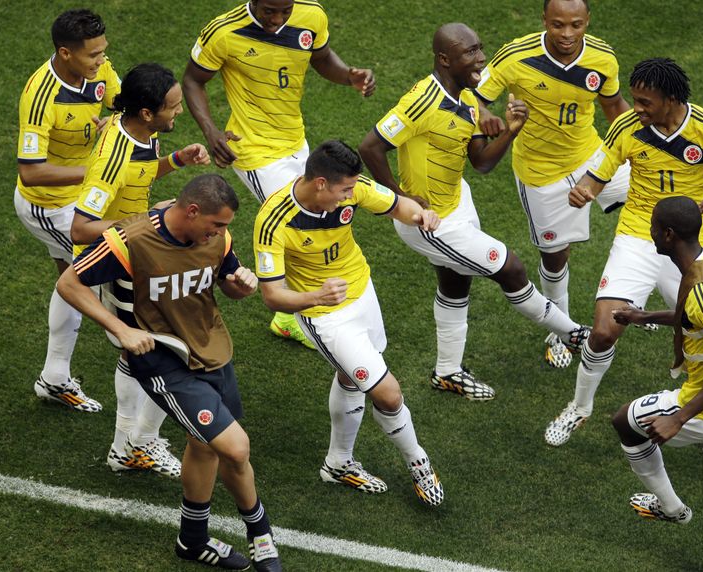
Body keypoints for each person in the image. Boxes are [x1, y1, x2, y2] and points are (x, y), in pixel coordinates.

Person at [58, 174, 282, 571]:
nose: (221, 233)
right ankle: (261, 534)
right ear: (192, 211)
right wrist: (121, 329)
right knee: (235, 447)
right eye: (216, 224)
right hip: (162, 359)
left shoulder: (216, 239)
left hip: (211, 348)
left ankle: (192, 541)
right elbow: (69, 283)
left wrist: (241, 285)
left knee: (205, 443)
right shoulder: (128, 240)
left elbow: (227, 283)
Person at [359, 23, 589, 402]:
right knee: (510, 268)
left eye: (480, 48)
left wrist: (511, 131)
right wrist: (400, 200)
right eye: (470, 52)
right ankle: (576, 335)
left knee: (455, 282)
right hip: (429, 222)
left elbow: (481, 162)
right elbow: (370, 147)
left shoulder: (467, 99)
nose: (481, 58)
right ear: (444, 59)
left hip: (458, 202)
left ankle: (447, 372)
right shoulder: (421, 101)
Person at [545, 57, 703, 446]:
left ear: (671, 99)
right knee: (603, 331)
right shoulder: (627, 127)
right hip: (639, 236)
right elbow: (597, 173)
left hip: (689, 247)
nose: (635, 108)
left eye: (644, 102)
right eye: (634, 99)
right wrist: (584, 191)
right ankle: (580, 407)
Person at [253, 140, 444, 506]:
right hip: (324, 315)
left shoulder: (352, 189)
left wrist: (420, 215)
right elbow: (272, 295)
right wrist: (316, 297)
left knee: (351, 377)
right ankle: (418, 461)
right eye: (344, 191)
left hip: (362, 292)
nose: (350, 197)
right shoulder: (273, 219)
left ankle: (338, 463)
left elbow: (396, 205)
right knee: (388, 394)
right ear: (320, 183)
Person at [182, 0, 375, 350]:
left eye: (285, 11)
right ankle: (298, 315)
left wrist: (348, 75)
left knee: (316, 213)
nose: (277, 20)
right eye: (269, 11)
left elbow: (321, 57)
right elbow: (193, 79)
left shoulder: (311, 15)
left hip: (295, 140)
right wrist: (211, 131)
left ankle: (288, 318)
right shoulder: (224, 32)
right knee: (297, 221)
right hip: (253, 149)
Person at [72, 63, 211, 478]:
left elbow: (143, 171)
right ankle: (135, 444)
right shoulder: (112, 159)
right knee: (165, 351)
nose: (180, 112)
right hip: (122, 261)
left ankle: (131, 443)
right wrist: (145, 223)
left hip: (142, 254)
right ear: (147, 112)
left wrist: (176, 160)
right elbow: (81, 226)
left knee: (157, 348)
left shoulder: (140, 131)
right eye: (173, 107)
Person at [474, 0, 631, 368]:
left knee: (659, 211)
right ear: (544, 20)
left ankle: (639, 296)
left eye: (576, 24)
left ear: (588, 20)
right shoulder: (516, 55)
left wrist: (643, 144)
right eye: (558, 24)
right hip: (541, 173)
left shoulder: (603, 58)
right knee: (555, 256)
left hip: (593, 155)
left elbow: (614, 107)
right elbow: (473, 96)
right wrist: (487, 116)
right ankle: (560, 332)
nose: (567, 34)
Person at [610, 196, 703, 572]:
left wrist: (679, 417)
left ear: (668, 235)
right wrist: (643, 316)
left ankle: (671, 508)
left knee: (625, 422)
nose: (650, 231)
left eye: (654, 227)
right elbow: (693, 316)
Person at [15, 9, 118, 413]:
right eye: (93, 54)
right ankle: (124, 332)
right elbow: (31, 170)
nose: (101, 60)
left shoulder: (98, 68)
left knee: (72, 277)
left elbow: (122, 104)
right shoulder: (40, 96)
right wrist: (94, 169)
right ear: (65, 53)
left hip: (81, 197)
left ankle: (54, 377)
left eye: (103, 51)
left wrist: (122, 120)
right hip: (49, 205)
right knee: (102, 263)